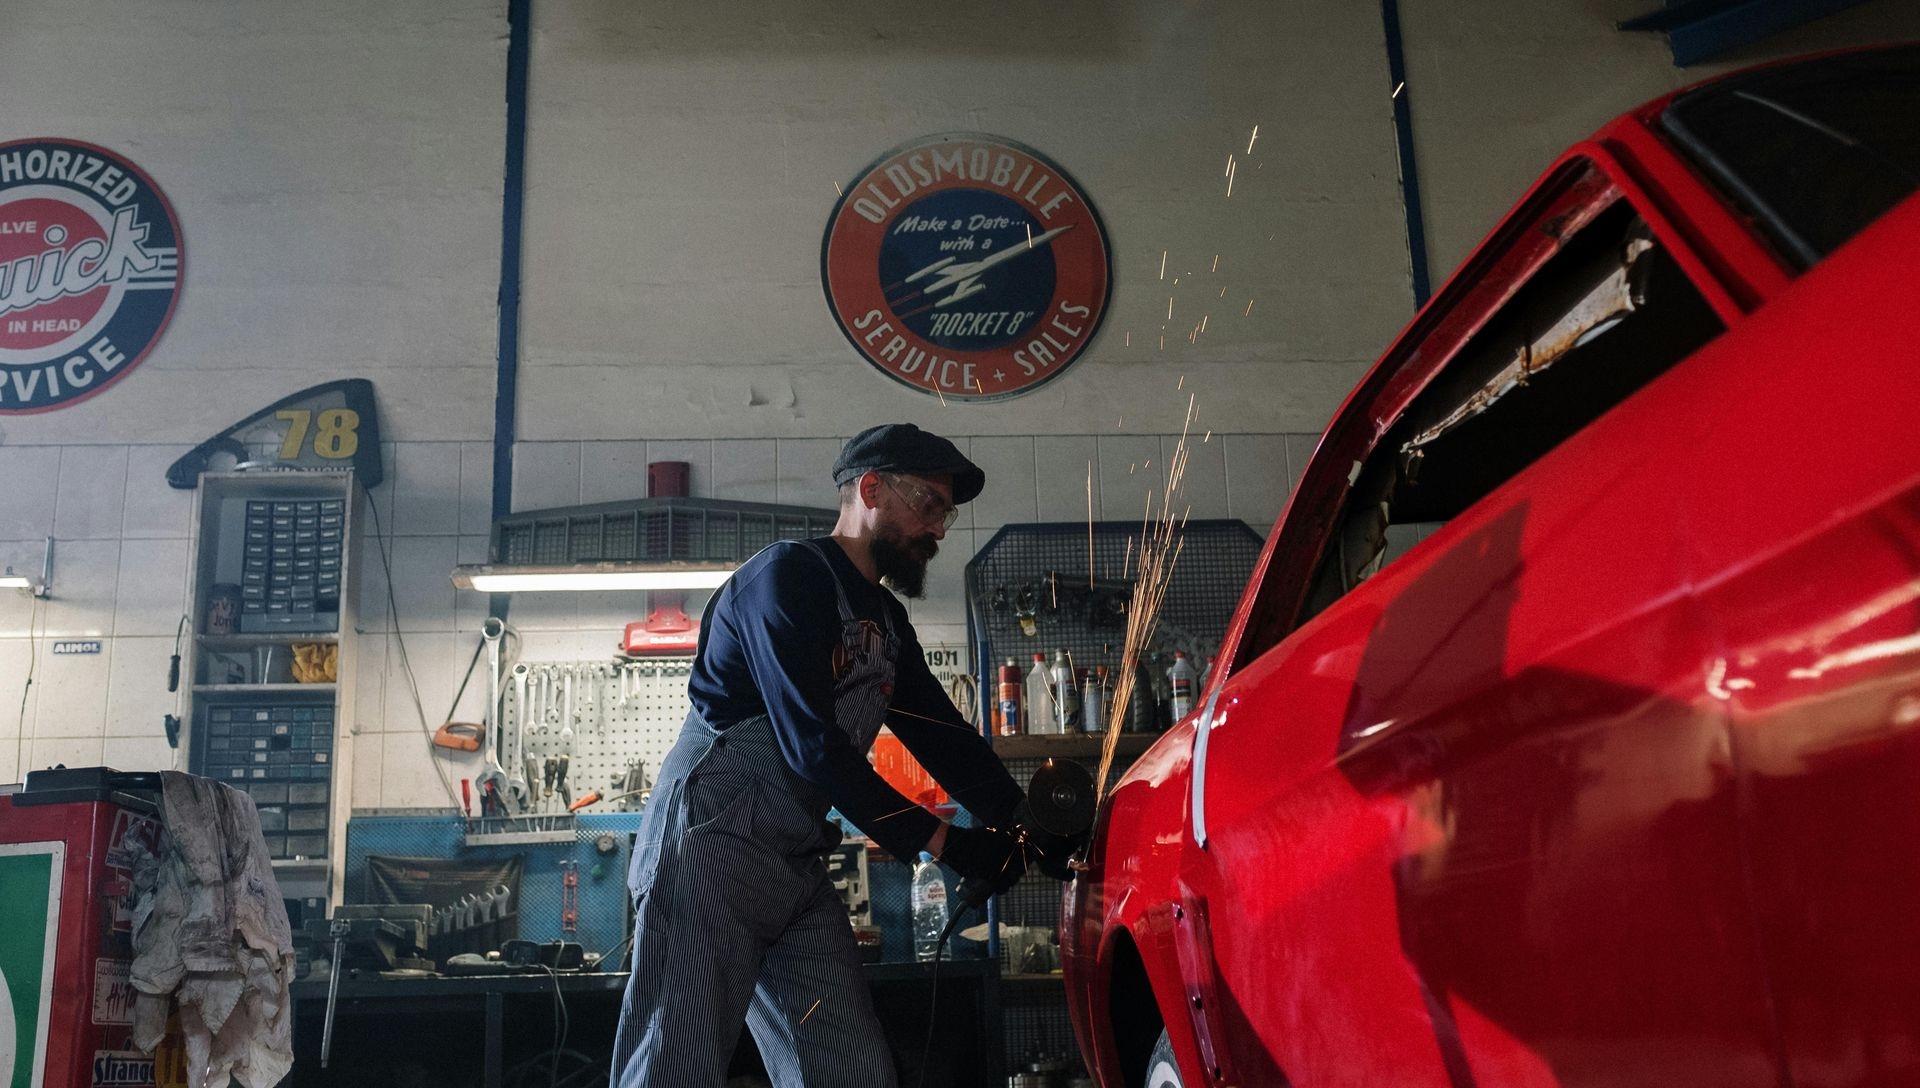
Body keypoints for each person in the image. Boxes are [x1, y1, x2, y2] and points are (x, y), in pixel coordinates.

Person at [612, 423, 1035, 1088]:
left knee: (849, 1068)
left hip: (792, 863)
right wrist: (946, 843)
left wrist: (1026, 820)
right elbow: (814, 748)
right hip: (709, 855)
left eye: (947, 513)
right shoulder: (786, 579)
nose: (941, 528)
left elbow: (941, 735)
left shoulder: (888, 624)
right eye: (929, 505)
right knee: (675, 1066)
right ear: (870, 489)